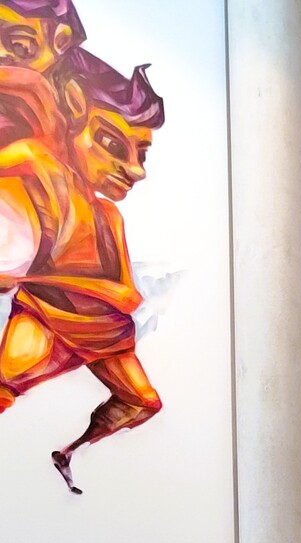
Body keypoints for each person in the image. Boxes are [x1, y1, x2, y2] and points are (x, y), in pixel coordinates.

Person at [0, 45, 165, 493]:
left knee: (143, 402)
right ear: (73, 110)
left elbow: (123, 288)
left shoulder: (109, 216)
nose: (135, 170)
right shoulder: (41, 166)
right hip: (48, 313)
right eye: (112, 143)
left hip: (103, 329)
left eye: (142, 154)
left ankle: (69, 452)